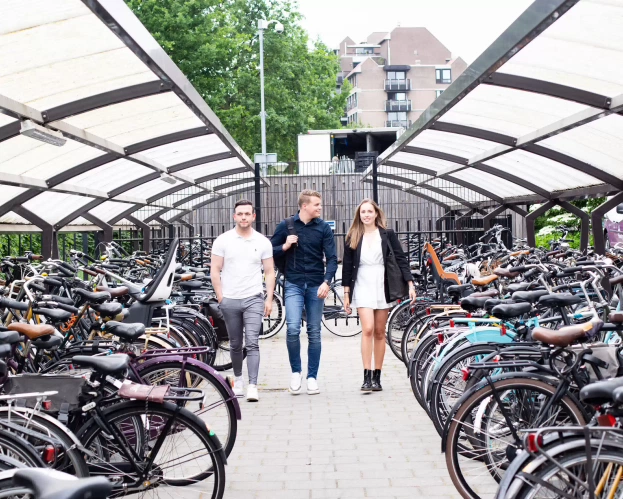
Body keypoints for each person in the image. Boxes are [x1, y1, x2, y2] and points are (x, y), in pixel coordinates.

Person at [342, 199, 415, 392]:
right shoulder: (353, 236)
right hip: (362, 284)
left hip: (383, 283)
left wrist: (410, 283)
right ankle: (366, 375)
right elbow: (348, 267)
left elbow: (401, 258)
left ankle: (377, 376)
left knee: (380, 332)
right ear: (359, 215)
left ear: (376, 214)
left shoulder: (387, 234)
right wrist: (346, 293)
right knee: (367, 329)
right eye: (363, 212)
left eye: (369, 211)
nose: (366, 215)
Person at [271, 190, 338, 395]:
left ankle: (312, 377)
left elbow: (333, 258)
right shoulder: (286, 226)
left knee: (314, 332)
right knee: (292, 329)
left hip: (316, 285)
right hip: (293, 283)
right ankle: (295, 372)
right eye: (316, 204)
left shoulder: (323, 228)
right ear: (304, 206)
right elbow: (269, 251)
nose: (320, 207)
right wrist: (285, 245)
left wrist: (327, 282)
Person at [210, 199, 275, 402]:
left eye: (248, 214)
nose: (244, 217)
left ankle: (253, 385)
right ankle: (238, 380)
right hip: (230, 299)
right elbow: (215, 268)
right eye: (240, 214)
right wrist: (220, 295)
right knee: (235, 343)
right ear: (234, 216)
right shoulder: (223, 240)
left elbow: (270, 271)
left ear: (253, 216)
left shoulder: (262, 241)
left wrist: (269, 298)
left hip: (253, 298)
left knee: (253, 342)